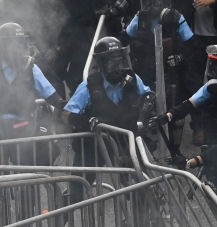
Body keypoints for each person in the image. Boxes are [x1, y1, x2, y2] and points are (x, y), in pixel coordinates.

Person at [63, 37, 153, 196]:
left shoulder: (132, 79)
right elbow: (67, 114)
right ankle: (58, 218)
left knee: (142, 189)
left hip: (126, 142)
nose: (118, 67)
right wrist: (88, 121)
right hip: (95, 144)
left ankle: (142, 221)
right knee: (75, 190)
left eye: (120, 60)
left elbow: (149, 96)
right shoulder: (89, 85)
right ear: (102, 64)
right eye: (112, 62)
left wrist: (142, 118)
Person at [0, 23, 63, 160]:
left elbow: (53, 97)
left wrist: (70, 110)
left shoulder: (30, 67)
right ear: (2, 46)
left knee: (24, 174)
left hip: (25, 128)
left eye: (21, 44)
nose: (19, 49)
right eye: (14, 44)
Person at [152, 50, 217, 146]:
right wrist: (169, 115)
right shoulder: (212, 87)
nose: (213, 71)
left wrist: (200, 159)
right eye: (212, 66)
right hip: (212, 144)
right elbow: (189, 104)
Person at [124, 0, 193, 110]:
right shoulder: (139, 18)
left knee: (190, 86)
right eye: (147, 1)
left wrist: (179, 57)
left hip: (171, 72)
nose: (151, 6)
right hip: (144, 71)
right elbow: (124, 38)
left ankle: (196, 126)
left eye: (155, 0)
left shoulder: (176, 18)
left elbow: (191, 46)